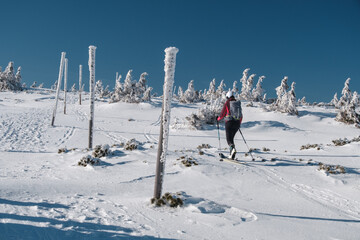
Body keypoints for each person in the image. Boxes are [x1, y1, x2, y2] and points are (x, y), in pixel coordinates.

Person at [217, 90, 243, 159]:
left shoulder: (227, 103)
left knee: (229, 139)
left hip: (229, 122)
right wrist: (238, 123)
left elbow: (222, 113)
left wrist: (218, 119)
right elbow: (241, 115)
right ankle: (231, 154)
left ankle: (232, 151)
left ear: (228, 96)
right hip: (237, 123)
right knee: (231, 138)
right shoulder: (237, 104)